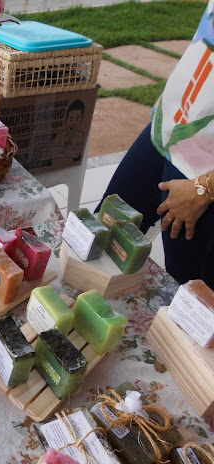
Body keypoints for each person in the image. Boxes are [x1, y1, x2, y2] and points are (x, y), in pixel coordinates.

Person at [97, 0, 214, 288]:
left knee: (187, 291)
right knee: (101, 235)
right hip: (168, 132)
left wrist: (205, 188)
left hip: (201, 176)